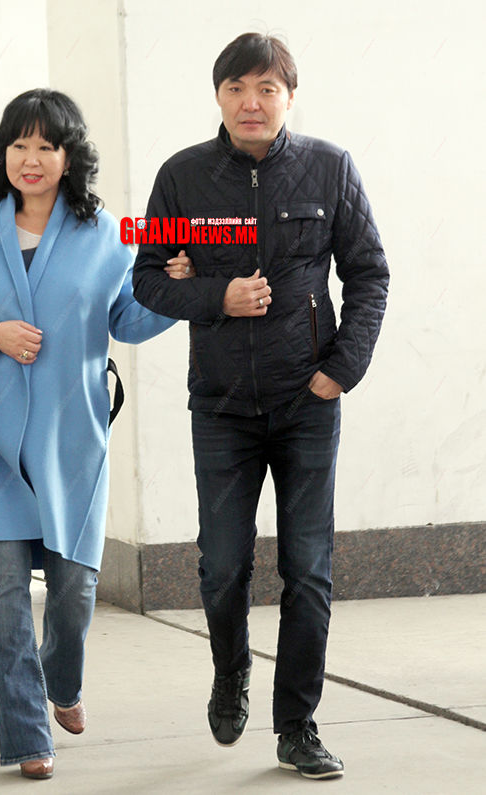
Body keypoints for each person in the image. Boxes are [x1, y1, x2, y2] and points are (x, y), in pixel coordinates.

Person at [0, 89, 193, 780]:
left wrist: (176, 291)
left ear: (70, 157)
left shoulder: (107, 236)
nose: (30, 159)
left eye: (46, 146)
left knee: (73, 591)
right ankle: (27, 735)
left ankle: (62, 681)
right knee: (4, 591)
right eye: (18, 145)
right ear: (2, 153)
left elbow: (127, 320)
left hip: (71, 442)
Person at [133, 33, 389, 780]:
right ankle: (231, 671)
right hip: (220, 407)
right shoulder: (181, 176)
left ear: (289, 97)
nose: (252, 102)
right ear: (218, 95)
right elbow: (145, 275)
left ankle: (298, 724)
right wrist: (218, 294)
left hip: (307, 402)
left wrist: (340, 370)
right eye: (237, 87)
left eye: (267, 88)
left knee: (308, 570)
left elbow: (369, 273)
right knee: (222, 567)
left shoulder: (330, 167)